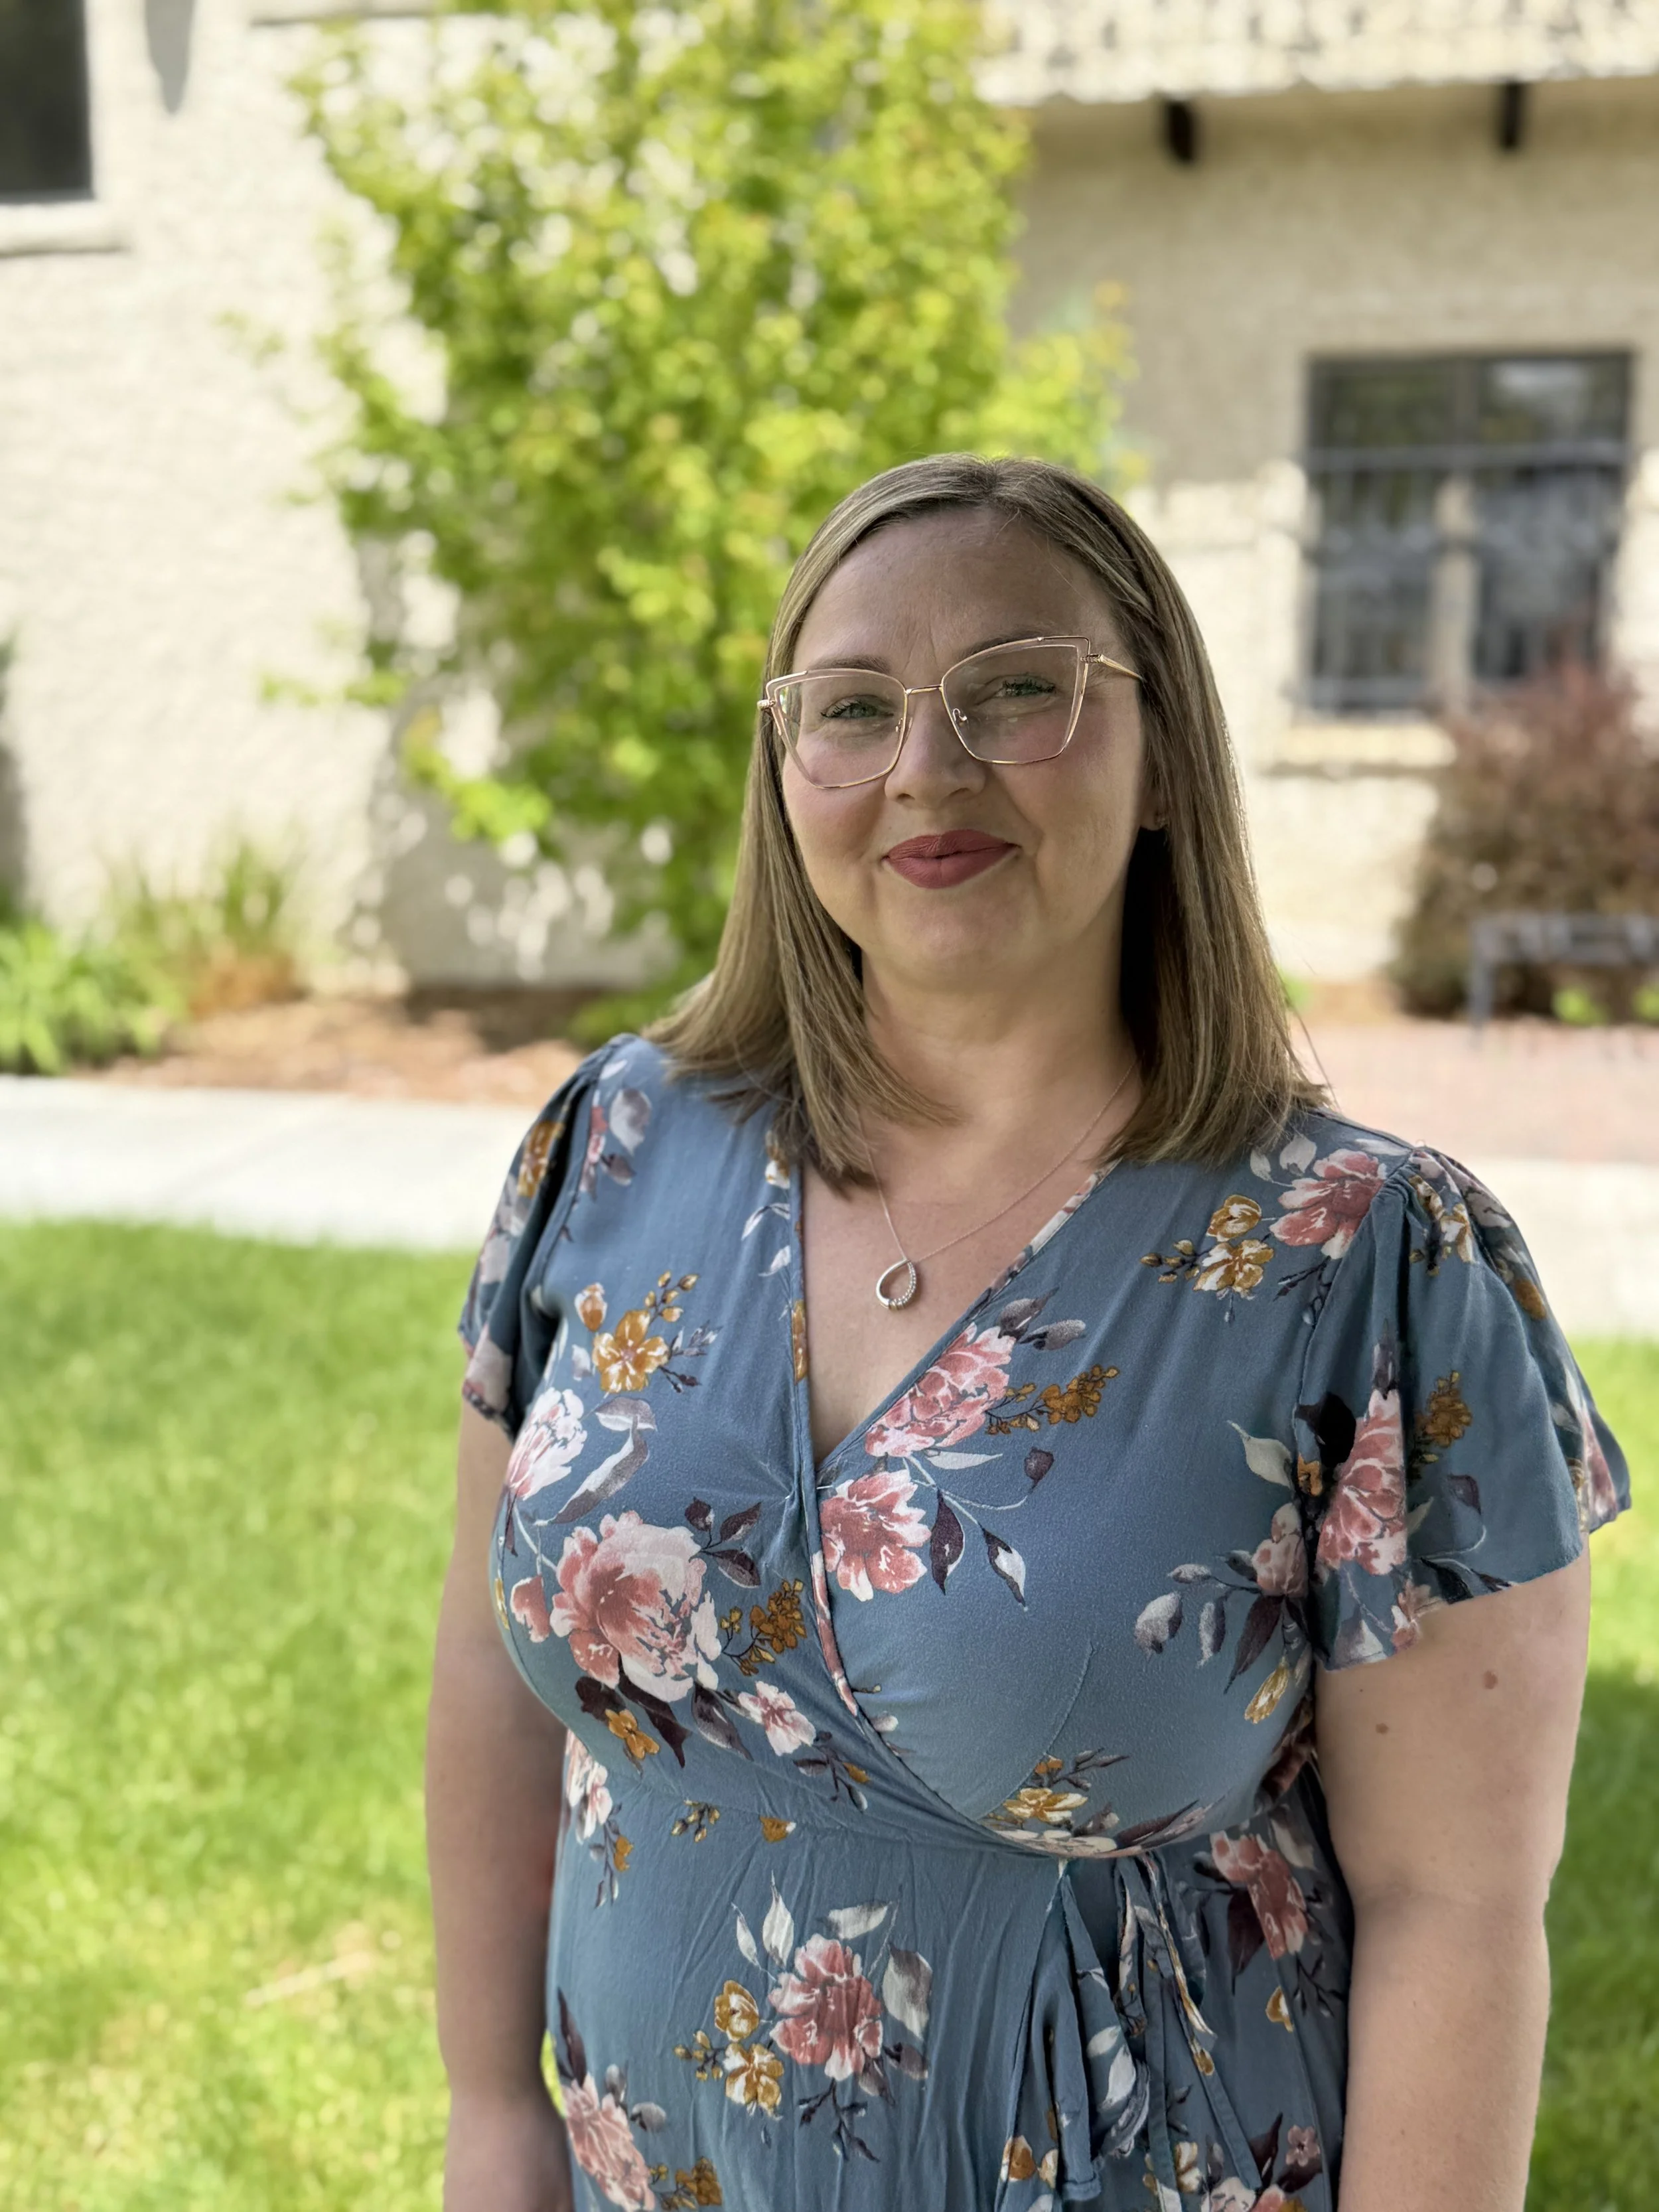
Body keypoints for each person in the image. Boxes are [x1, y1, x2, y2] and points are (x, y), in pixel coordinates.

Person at [427, 454, 1628, 2212]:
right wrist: (492, 2110)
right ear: (784, 765)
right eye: (854, 706)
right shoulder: (614, 1144)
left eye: (1014, 688)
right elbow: (491, 1668)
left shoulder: (1367, 1257)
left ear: (1163, 756)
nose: (927, 765)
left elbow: (1453, 1906)